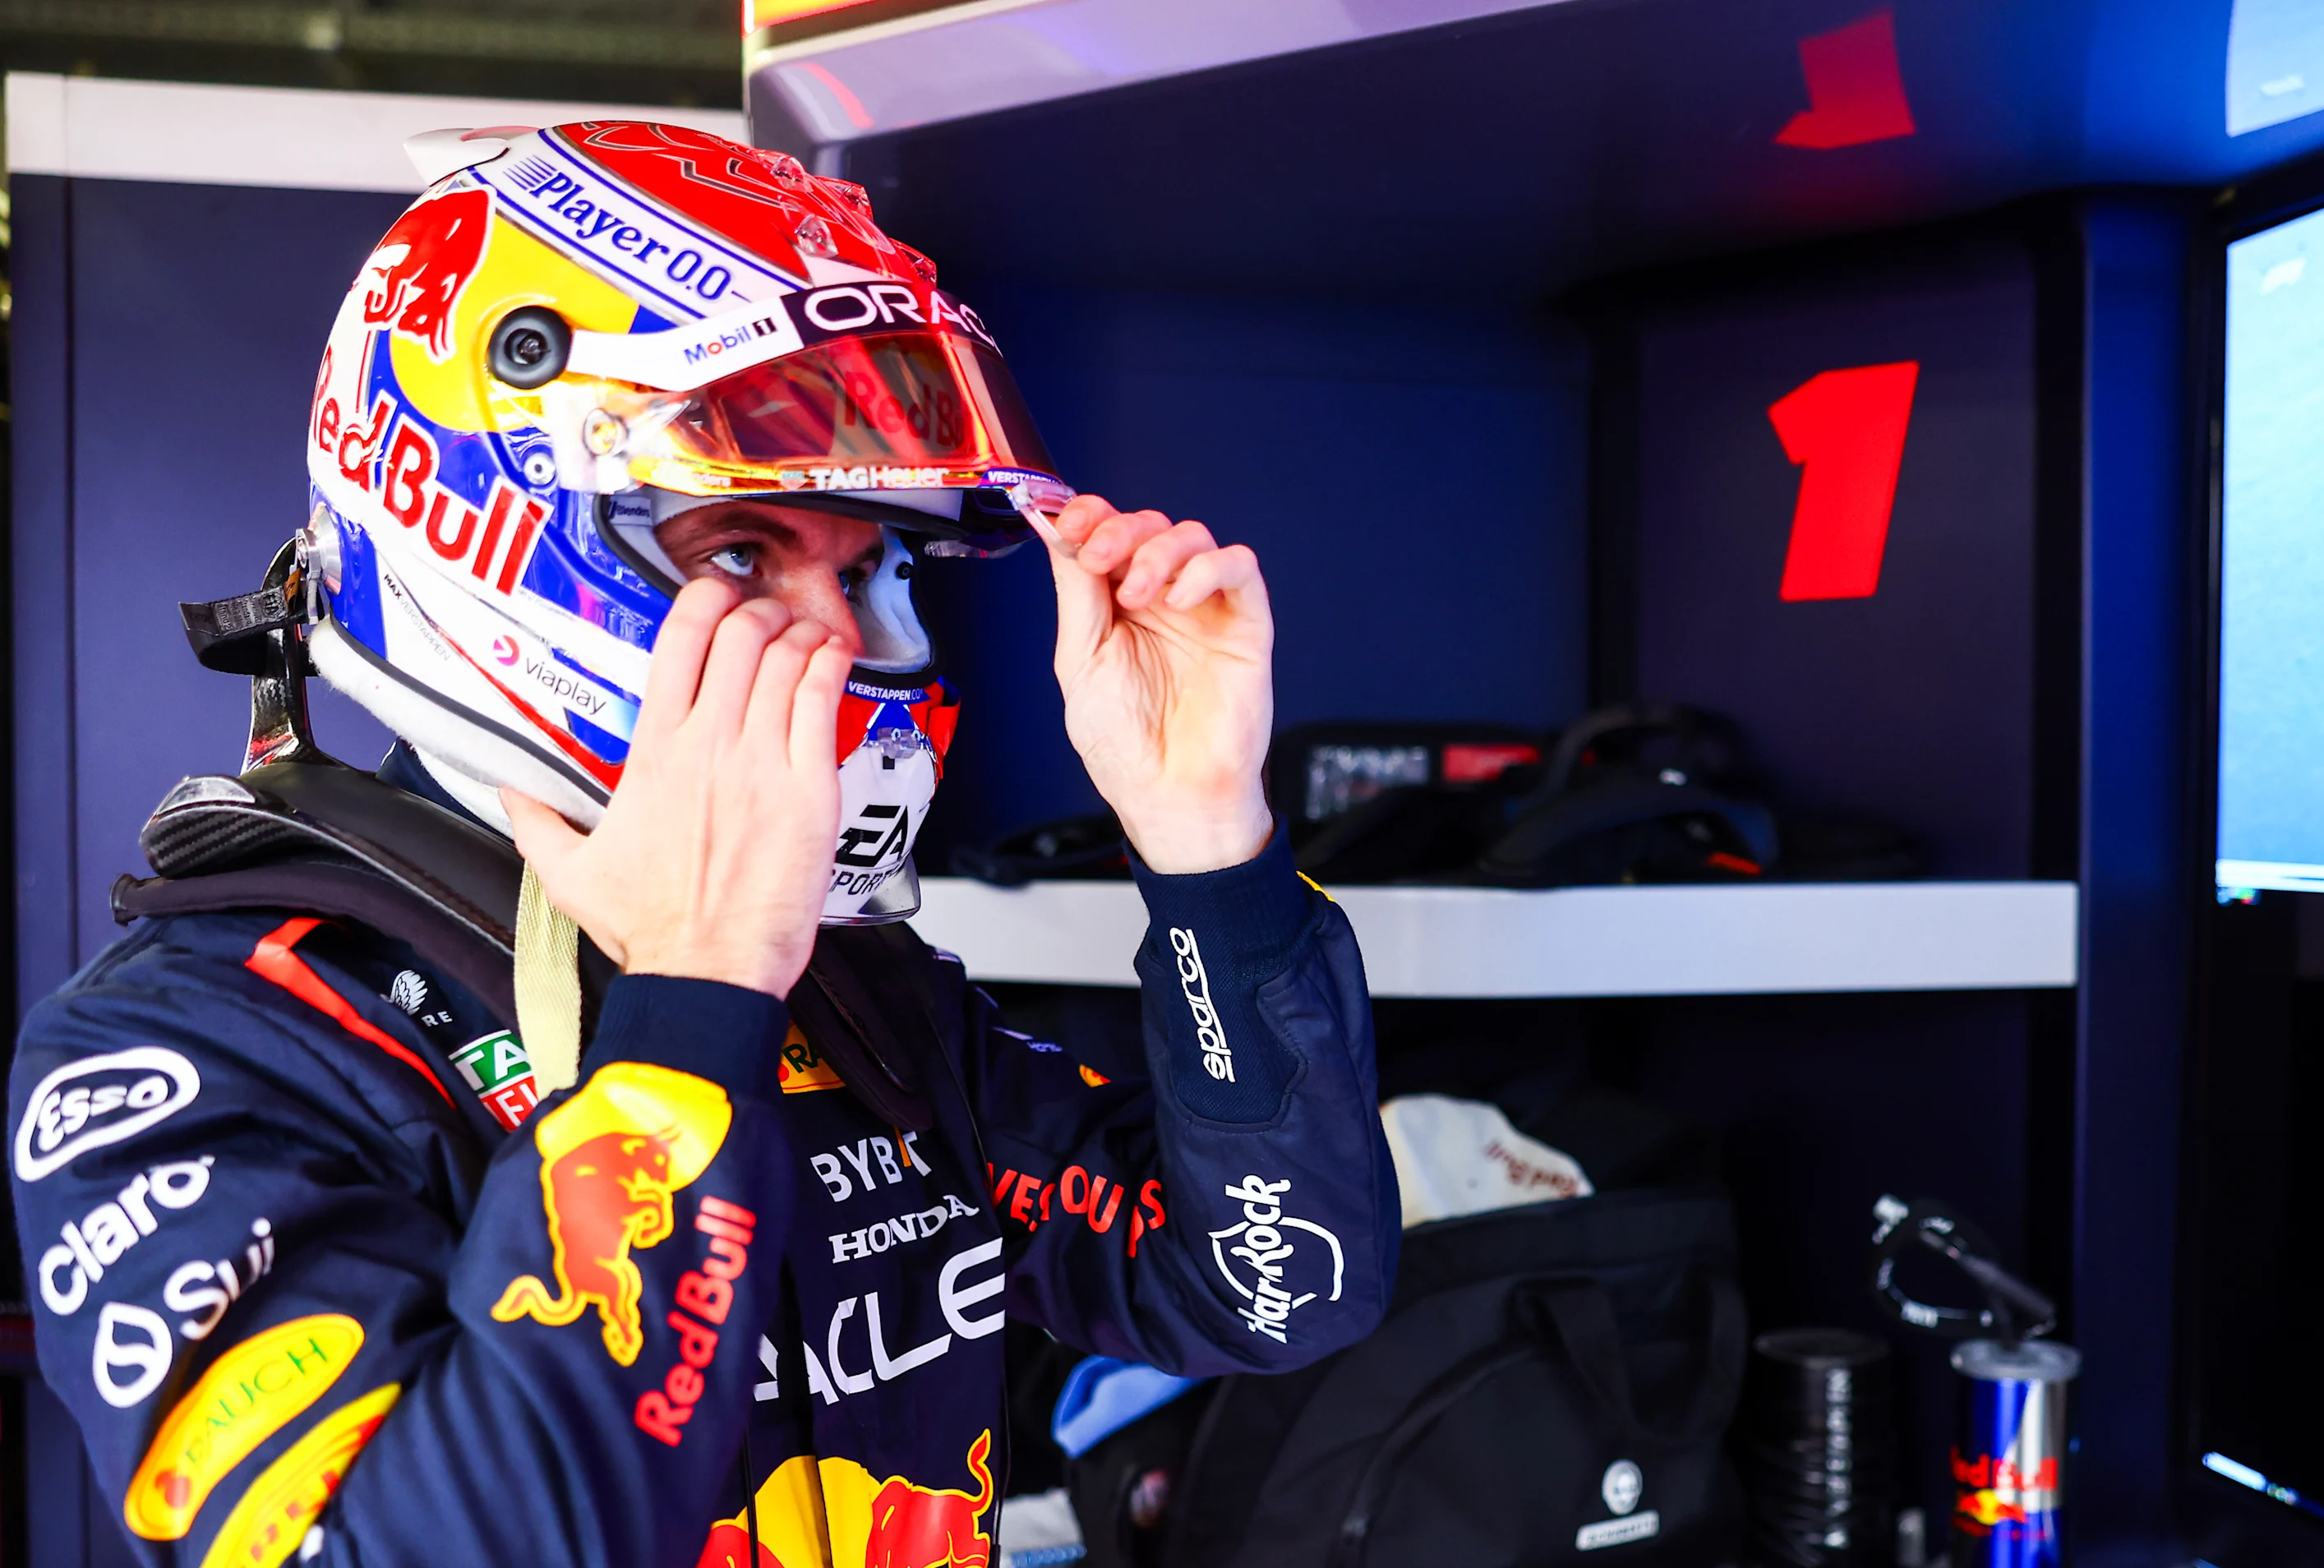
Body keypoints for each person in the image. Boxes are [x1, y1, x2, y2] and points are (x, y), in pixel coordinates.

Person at [10, 121, 1395, 1567]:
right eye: (740, 556)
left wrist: (1205, 849)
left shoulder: (852, 990)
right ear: (485, 529)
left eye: (864, 569)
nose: (846, 642)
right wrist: (691, 1009)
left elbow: (1276, 1290)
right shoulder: (186, 1056)